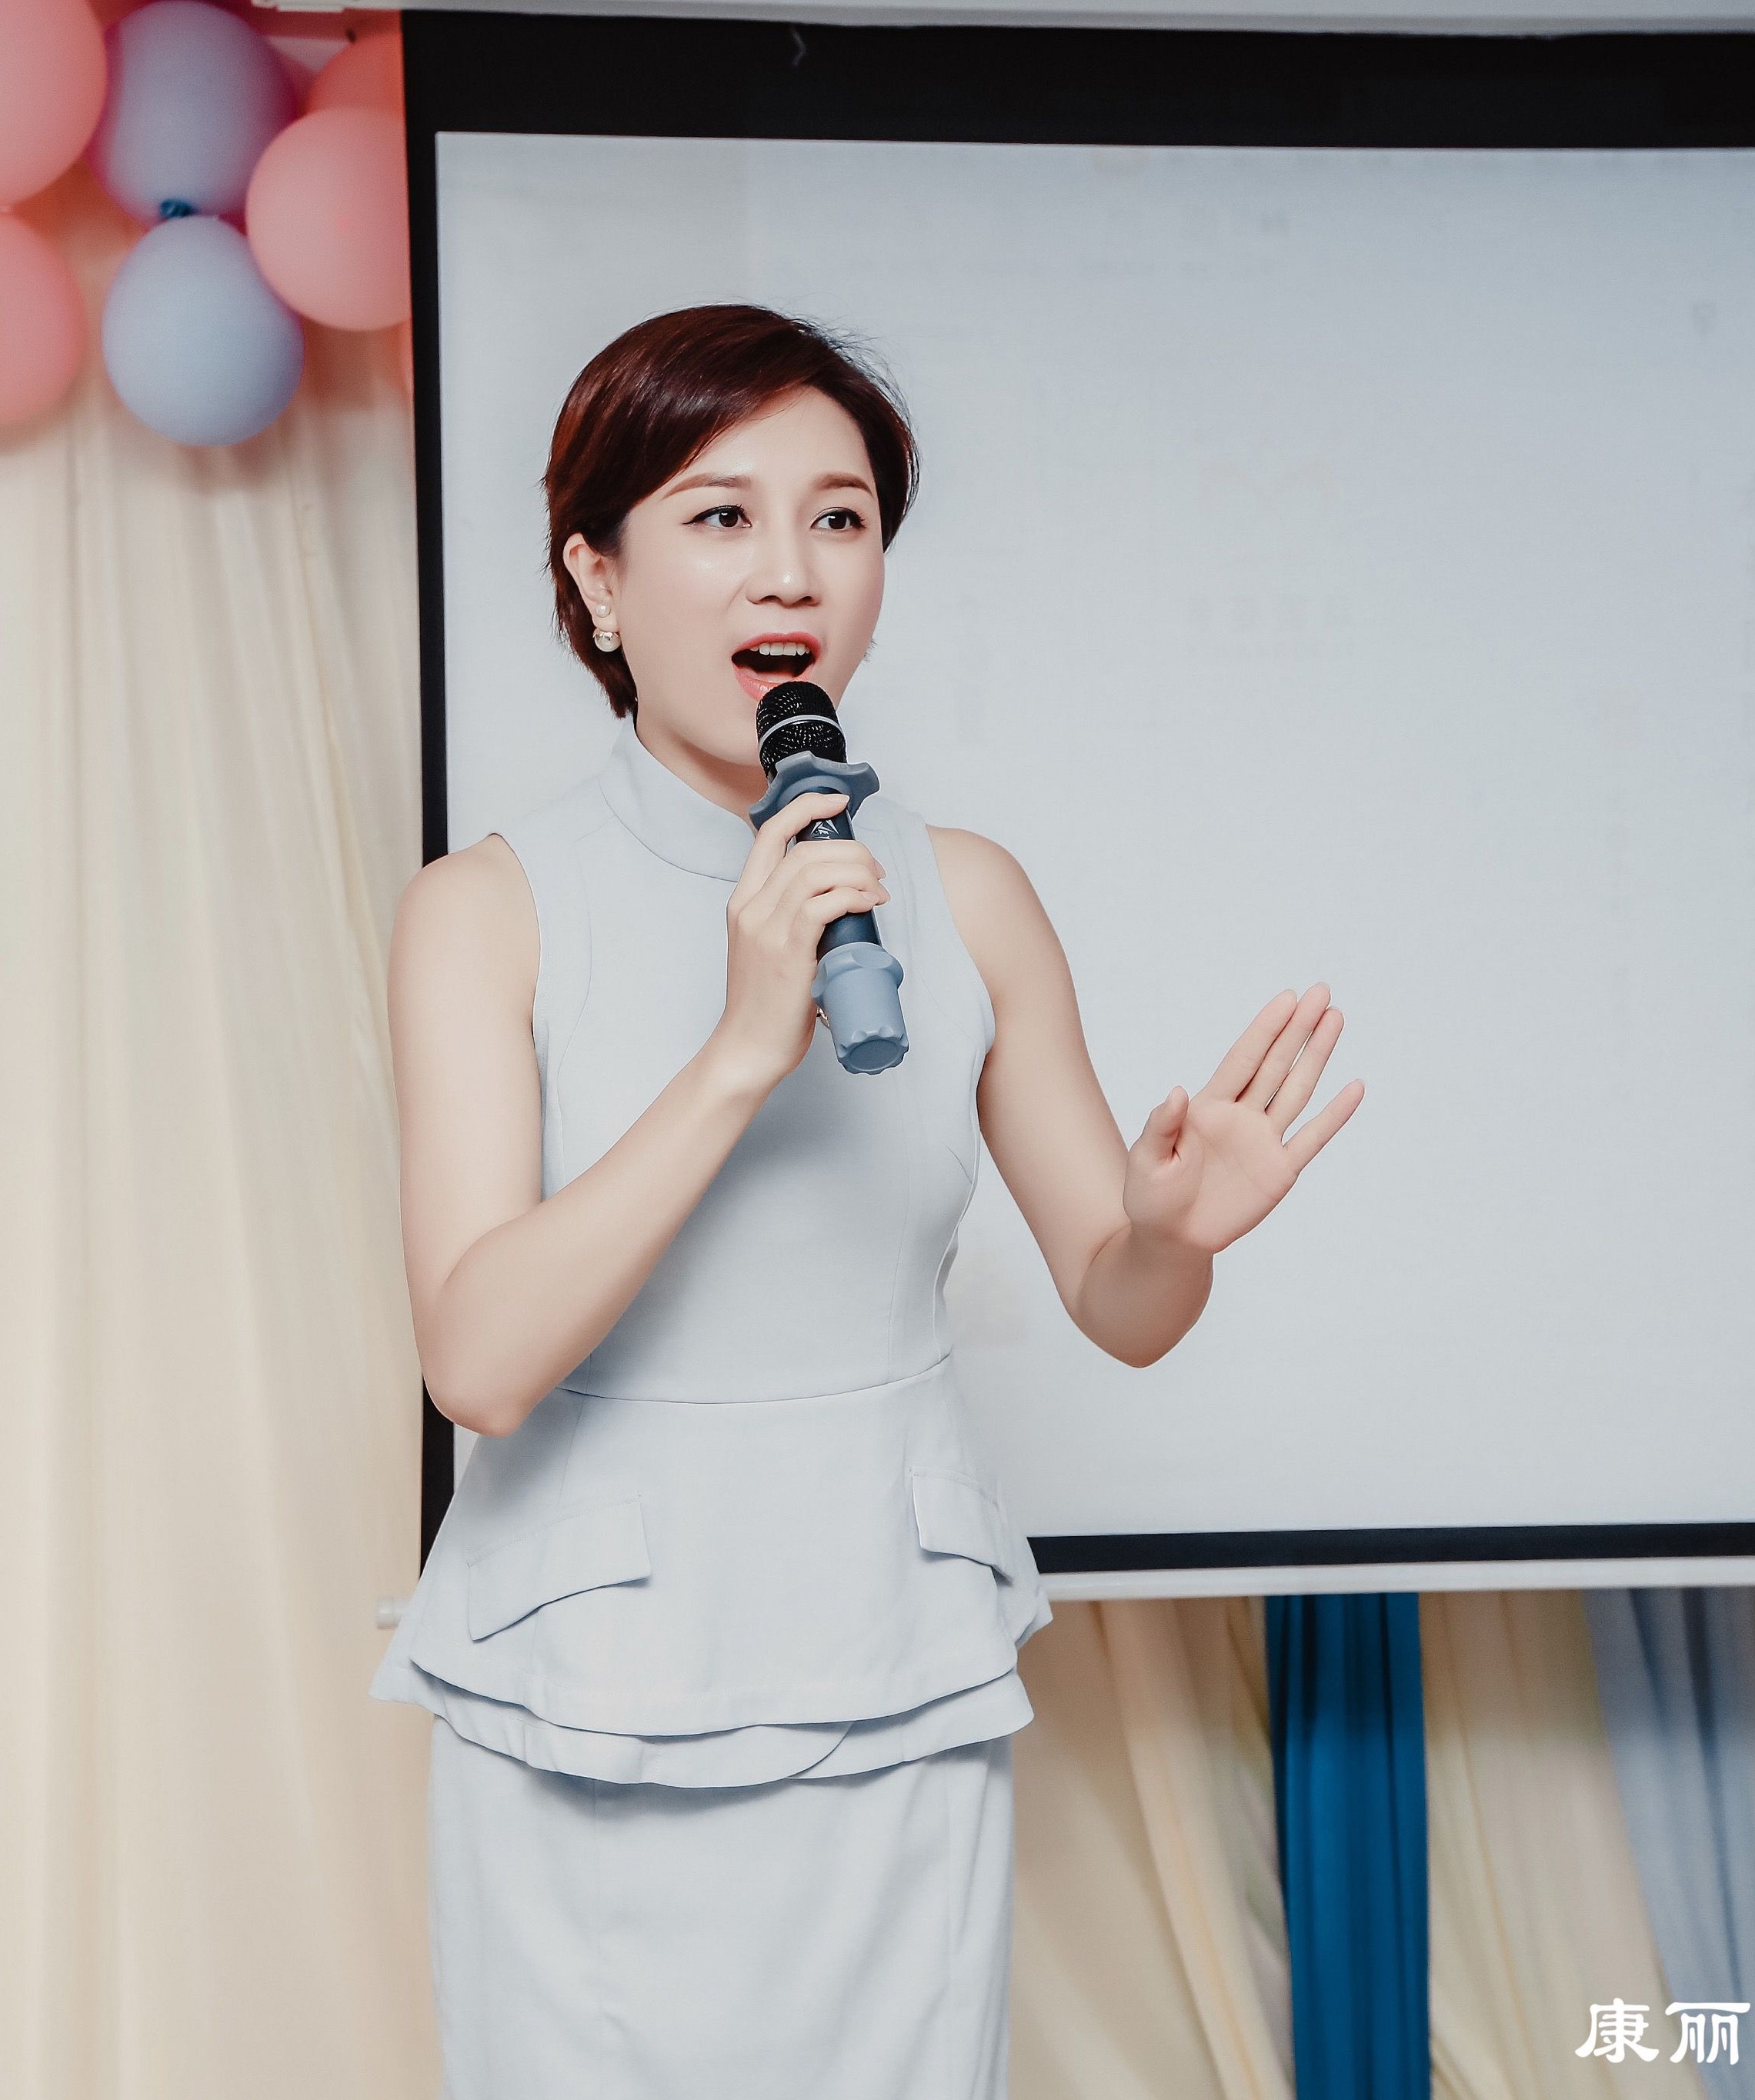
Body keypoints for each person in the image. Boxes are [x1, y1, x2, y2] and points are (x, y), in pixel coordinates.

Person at [370, 303, 1365, 2098]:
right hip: (587, 1705)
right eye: (719, 516)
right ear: (597, 578)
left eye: (837, 518)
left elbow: (1122, 1309)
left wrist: (1172, 1233)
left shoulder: (965, 895)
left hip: (890, 1681)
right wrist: (738, 1055)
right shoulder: (485, 910)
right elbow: (479, 1365)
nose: (791, 570)